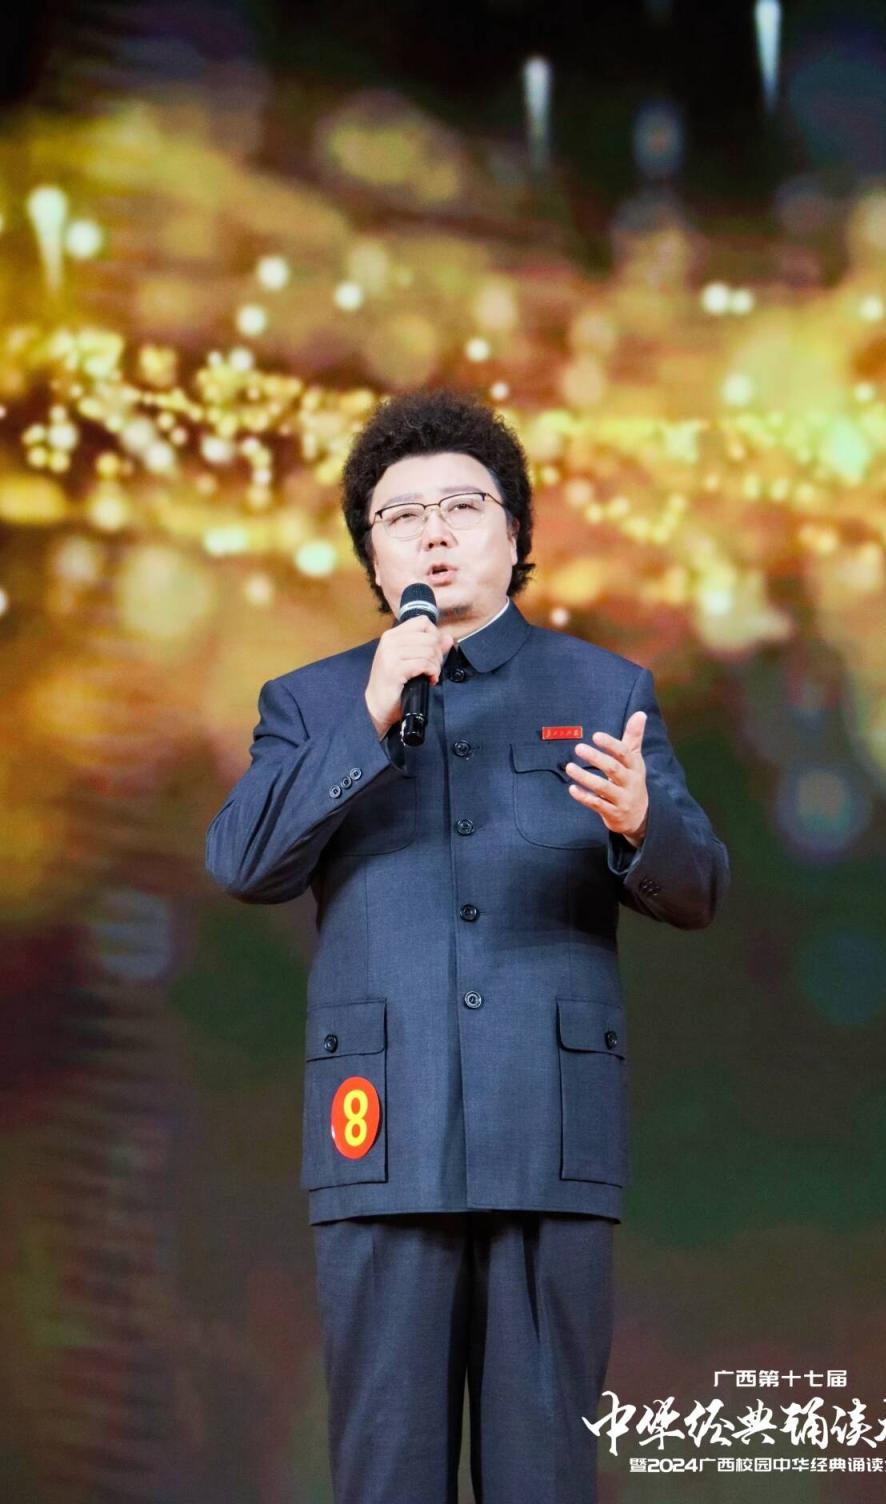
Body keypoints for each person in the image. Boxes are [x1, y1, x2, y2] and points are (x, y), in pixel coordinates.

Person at [205, 387, 730, 1504]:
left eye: (461, 507)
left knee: (544, 1470)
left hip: (550, 1126)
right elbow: (244, 862)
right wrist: (367, 715)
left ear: (515, 532)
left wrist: (644, 824)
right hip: (382, 1128)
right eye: (401, 517)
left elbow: (699, 891)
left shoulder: (605, 690)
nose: (432, 533)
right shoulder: (311, 701)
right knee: (386, 1467)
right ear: (371, 552)